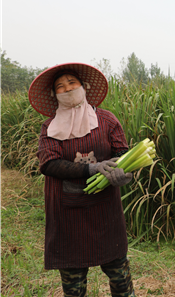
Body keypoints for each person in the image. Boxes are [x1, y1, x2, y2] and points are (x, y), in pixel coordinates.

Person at [29, 63, 135, 297]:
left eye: (72, 82)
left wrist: (123, 172)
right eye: (60, 86)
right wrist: (92, 168)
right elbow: (49, 163)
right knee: (74, 287)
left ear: (83, 86)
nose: (67, 89)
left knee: (120, 278)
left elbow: (122, 154)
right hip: (67, 213)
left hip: (105, 210)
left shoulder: (107, 120)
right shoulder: (50, 127)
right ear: (55, 95)